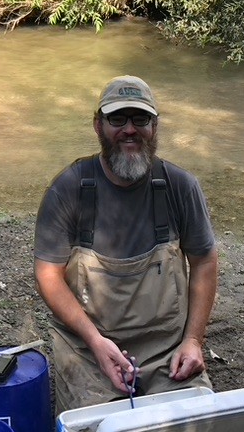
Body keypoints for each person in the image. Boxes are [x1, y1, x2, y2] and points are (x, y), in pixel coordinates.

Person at [34, 75, 219, 413]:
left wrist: (193, 340)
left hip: (167, 348)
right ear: (97, 125)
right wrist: (94, 342)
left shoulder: (180, 186)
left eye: (140, 119)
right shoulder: (69, 189)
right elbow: (48, 274)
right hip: (89, 348)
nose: (129, 130)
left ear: (155, 125)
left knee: (197, 424)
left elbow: (205, 261)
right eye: (117, 119)